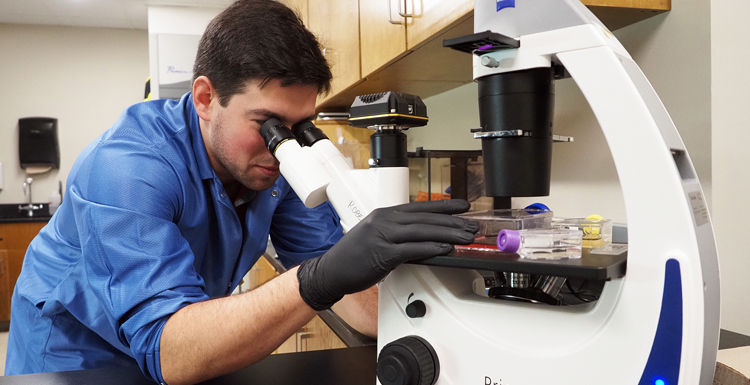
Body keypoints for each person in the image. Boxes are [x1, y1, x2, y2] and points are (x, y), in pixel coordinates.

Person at [5, 1, 478, 384]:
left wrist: (438, 282)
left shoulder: (275, 163)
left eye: (298, 127)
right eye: (267, 124)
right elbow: (171, 351)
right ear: (206, 98)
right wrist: (319, 278)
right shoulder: (127, 168)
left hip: (183, 341)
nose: (285, 145)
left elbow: (354, 302)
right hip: (77, 357)